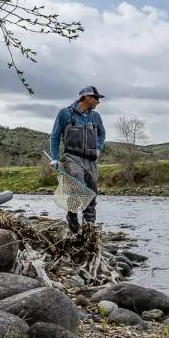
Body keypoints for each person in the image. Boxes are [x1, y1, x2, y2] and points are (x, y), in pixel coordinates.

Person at [49, 85, 106, 231]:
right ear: (86, 97)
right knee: (78, 186)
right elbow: (55, 136)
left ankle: (89, 225)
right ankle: (72, 215)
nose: (98, 102)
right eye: (96, 98)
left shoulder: (96, 117)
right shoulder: (64, 114)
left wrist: (98, 149)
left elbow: (101, 134)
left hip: (91, 160)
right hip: (71, 157)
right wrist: (54, 158)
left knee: (92, 192)